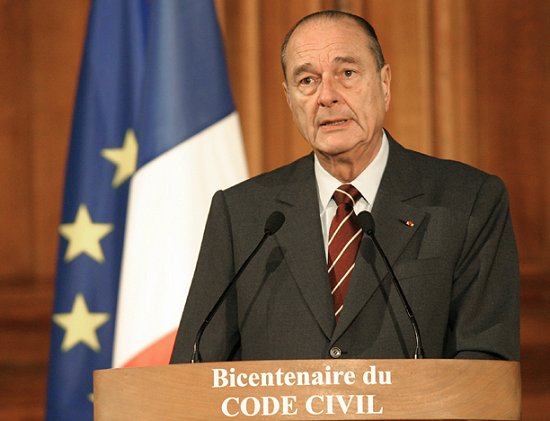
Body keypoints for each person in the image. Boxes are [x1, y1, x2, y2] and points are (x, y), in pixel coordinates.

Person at [170, 10, 519, 363]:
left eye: (347, 73)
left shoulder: (469, 201)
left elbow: (485, 364)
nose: (327, 96)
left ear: (384, 83)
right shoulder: (242, 215)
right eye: (307, 81)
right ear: (290, 99)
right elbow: (194, 367)